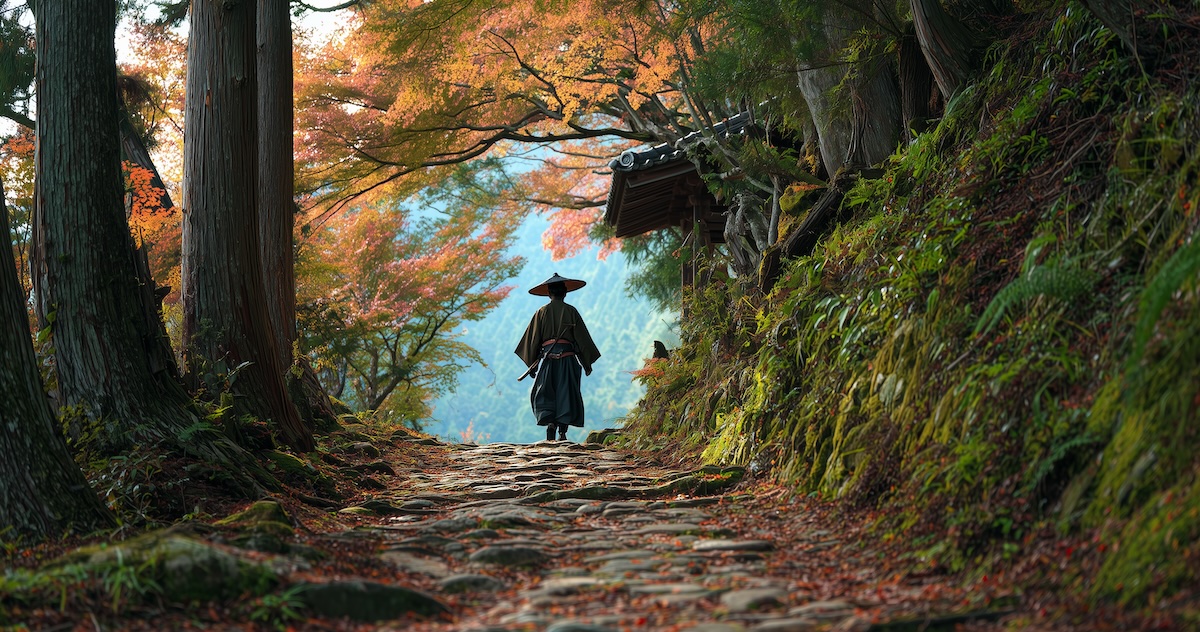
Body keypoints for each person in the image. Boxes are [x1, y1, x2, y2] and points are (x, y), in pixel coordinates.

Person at [515, 273, 601, 442]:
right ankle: (562, 431)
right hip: (568, 359)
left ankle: (551, 425)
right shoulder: (571, 312)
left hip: (547, 360)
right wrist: (586, 363)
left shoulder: (541, 312)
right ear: (565, 293)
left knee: (546, 393)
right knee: (566, 393)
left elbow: (533, 340)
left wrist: (533, 364)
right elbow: (582, 339)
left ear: (549, 293)